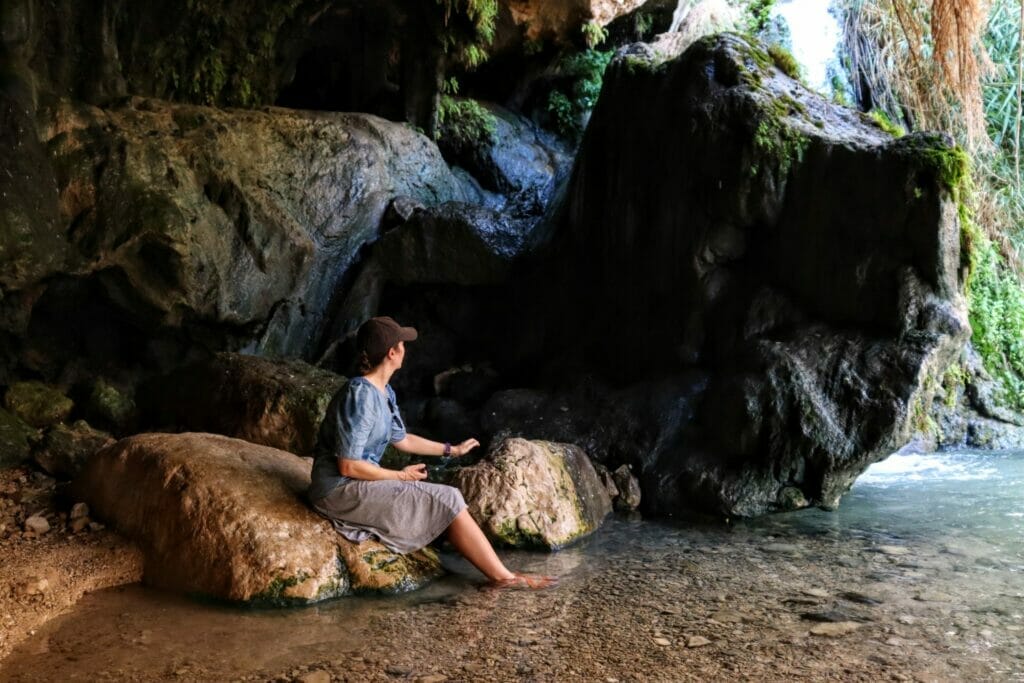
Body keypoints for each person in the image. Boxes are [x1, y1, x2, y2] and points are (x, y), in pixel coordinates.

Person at [308, 316, 554, 589]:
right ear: (392, 352)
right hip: (339, 489)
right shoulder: (361, 396)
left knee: (443, 497)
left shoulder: (383, 392)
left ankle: (498, 572)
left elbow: (403, 440)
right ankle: (504, 579)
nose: (406, 349)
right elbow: (348, 466)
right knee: (448, 498)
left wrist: (452, 449)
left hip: (358, 481)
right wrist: (398, 477)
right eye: (403, 344)